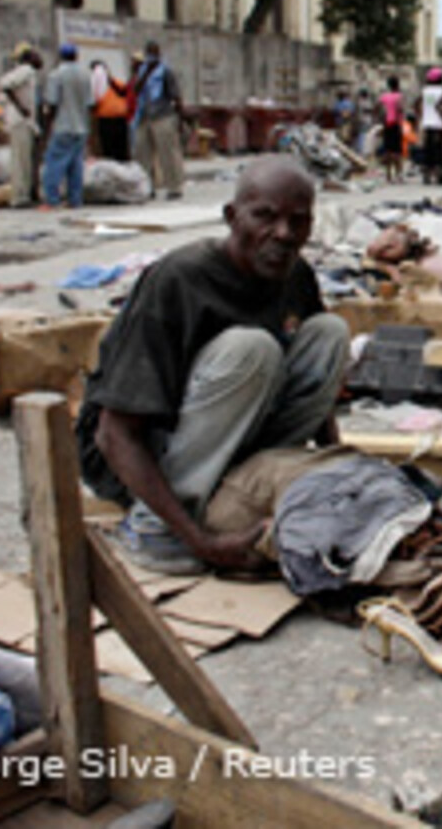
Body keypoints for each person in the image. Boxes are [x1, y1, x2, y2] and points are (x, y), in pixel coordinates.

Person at [76, 156, 348, 575]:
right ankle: (153, 527)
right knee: (253, 349)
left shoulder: (294, 275)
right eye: (265, 217)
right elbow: (114, 434)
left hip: (226, 437)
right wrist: (200, 541)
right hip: (140, 454)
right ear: (231, 217)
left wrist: (334, 462)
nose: (283, 234)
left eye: (299, 221)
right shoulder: (178, 280)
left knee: (329, 333)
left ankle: (230, 486)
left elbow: (317, 382)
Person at [38, 43, 93, 209]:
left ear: (60, 56)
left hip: (63, 126)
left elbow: (52, 103)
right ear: (76, 56)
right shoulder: (85, 75)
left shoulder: (56, 75)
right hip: (81, 127)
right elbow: (90, 104)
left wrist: (47, 129)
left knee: (54, 164)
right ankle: (75, 200)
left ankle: (51, 200)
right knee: (75, 167)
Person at [132, 41, 184, 200]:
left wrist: (180, 119)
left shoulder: (166, 72)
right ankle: (148, 187)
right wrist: (145, 72)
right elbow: (135, 90)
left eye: (153, 52)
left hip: (163, 116)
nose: (151, 56)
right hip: (144, 116)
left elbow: (176, 96)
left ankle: (174, 187)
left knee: (167, 153)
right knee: (143, 154)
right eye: (149, 52)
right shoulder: (141, 71)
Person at [0, 43, 43, 207]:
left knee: (25, 160)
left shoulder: (30, 73)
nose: (39, 58)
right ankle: (19, 198)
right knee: (20, 160)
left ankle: (25, 194)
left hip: (24, 121)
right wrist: (20, 107)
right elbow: (4, 85)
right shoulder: (26, 70)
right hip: (20, 120)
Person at [91, 59, 132, 162]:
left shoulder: (114, 82)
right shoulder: (112, 83)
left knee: (113, 151)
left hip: (111, 120)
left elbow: (124, 92)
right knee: (115, 151)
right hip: (114, 120)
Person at [419, 67, 442, 184]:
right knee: (439, 149)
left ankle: (427, 173)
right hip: (440, 124)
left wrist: (422, 115)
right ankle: (440, 172)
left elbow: (417, 104)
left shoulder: (425, 91)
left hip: (427, 123)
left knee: (428, 149)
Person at [378, 75, 405, 182]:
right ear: (397, 85)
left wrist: (381, 118)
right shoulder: (399, 96)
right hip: (395, 124)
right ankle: (399, 175)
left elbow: (377, 107)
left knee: (387, 150)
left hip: (386, 124)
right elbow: (400, 108)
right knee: (397, 151)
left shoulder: (384, 96)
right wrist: (400, 116)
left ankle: (388, 175)